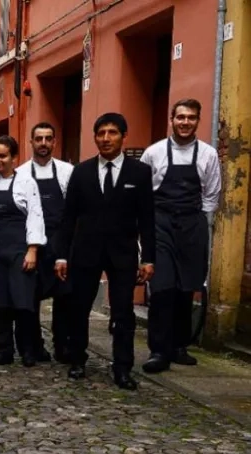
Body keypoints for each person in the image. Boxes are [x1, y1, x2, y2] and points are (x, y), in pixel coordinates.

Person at [56, 113, 155, 390]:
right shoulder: (82, 172)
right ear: (95, 137)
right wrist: (62, 254)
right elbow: (68, 218)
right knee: (79, 308)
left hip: (122, 253)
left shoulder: (140, 173)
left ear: (124, 136)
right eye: (101, 133)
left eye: (112, 132)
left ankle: (122, 367)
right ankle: (77, 359)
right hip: (85, 252)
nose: (106, 138)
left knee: (123, 312)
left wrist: (148, 257)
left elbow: (147, 219)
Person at [141, 99, 221, 373]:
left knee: (186, 288)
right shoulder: (154, 153)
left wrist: (198, 226)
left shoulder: (209, 155)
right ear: (171, 120)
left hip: (192, 225)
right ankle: (158, 351)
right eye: (180, 117)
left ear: (198, 121)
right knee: (162, 289)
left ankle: (179, 346)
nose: (185, 122)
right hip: (160, 223)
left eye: (191, 118)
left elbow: (211, 195)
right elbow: (143, 194)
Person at [0, 135, 46, 367]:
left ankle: (28, 350)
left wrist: (33, 249)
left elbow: (35, 217)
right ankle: (3, 350)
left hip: (19, 250)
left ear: (14, 158)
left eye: (3, 156)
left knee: (23, 303)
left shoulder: (27, 183)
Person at [15, 122, 74, 363]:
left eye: (48, 139)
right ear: (31, 142)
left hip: (60, 242)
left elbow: (72, 211)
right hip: (31, 243)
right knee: (29, 297)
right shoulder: (19, 174)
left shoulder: (67, 172)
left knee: (64, 297)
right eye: (38, 139)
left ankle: (63, 346)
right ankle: (32, 347)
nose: (43, 143)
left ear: (54, 142)